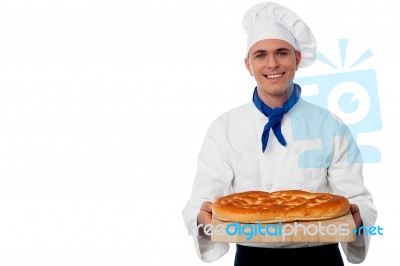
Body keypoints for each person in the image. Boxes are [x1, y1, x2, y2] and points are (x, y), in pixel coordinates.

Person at [182, 2, 377, 265]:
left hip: (319, 256)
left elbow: (357, 198)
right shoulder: (225, 128)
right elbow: (202, 200)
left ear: (297, 59)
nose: (272, 63)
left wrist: (358, 216)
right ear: (248, 65)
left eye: (281, 53)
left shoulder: (330, 125)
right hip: (252, 258)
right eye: (260, 55)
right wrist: (200, 216)